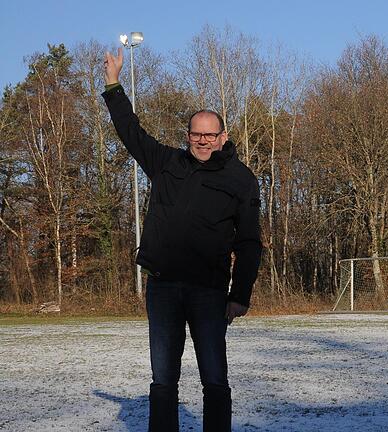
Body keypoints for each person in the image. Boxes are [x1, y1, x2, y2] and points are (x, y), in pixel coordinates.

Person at [102, 47, 263, 431]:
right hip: (163, 288)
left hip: (209, 291)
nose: (202, 141)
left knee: (214, 379)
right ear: (188, 135)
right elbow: (131, 132)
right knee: (163, 381)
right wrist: (113, 85)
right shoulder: (167, 163)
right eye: (196, 134)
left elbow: (250, 241)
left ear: (223, 136)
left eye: (210, 135)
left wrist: (240, 295)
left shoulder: (241, 180)